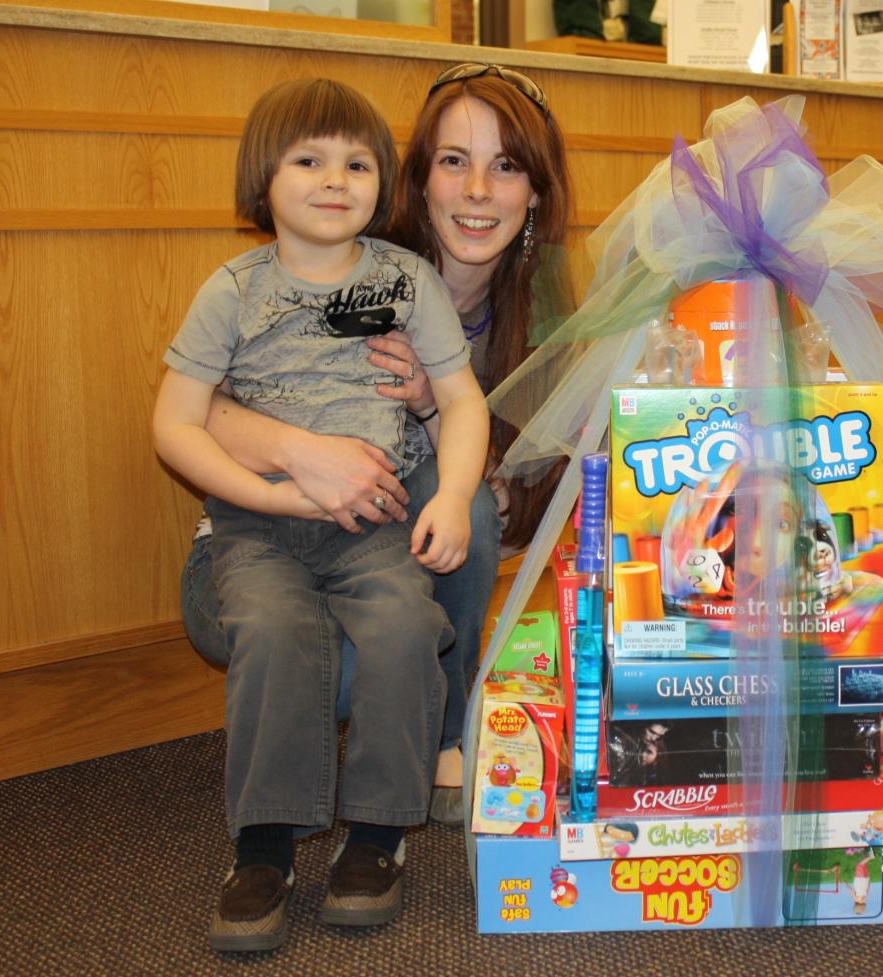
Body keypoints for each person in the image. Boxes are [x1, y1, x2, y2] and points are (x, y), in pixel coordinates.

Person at [179, 63, 572, 825]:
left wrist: (435, 410)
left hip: (377, 559)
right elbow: (198, 409)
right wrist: (299, 452)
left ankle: (431, 740)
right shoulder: (341, 252)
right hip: (255, 543)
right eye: (454, 161)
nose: (479, 192)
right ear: (415, 178)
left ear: (536, 195)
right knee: (316, 652)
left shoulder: (546, 322)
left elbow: (516, 501)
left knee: (461, 524)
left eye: (507, 166)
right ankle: (322, 786)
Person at [153, 78, 490, 951]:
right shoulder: (232, 289)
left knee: (405, 629)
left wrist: (451, 494)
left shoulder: (408, 279)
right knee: (272, 630)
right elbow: (174, 423)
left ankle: (378, 836)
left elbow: (460, 400)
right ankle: (263, 846)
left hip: (372, 523)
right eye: (309, 160)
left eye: (358, 162)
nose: (335, 179)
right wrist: (269, 493)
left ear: (385, 181)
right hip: (257, 526)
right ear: (265, 175)